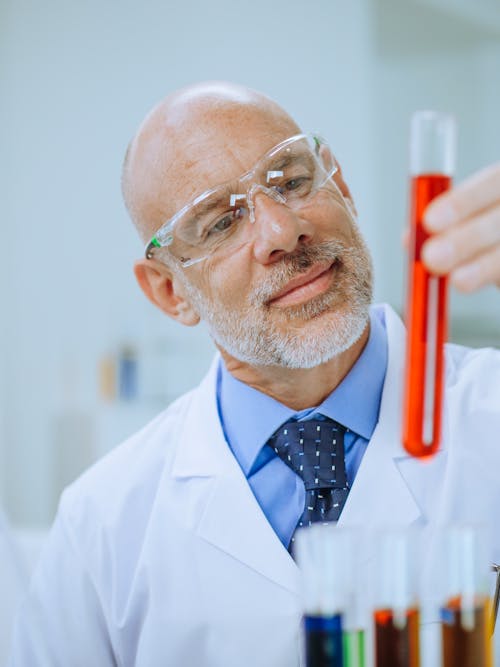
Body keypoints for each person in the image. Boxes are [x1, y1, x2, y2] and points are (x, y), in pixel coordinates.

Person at [9, 81, 500, 667]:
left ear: (339, 186)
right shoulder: (103, 522)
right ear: (169, 291)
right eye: (220, 224)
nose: (281, 232)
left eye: (291, 180)